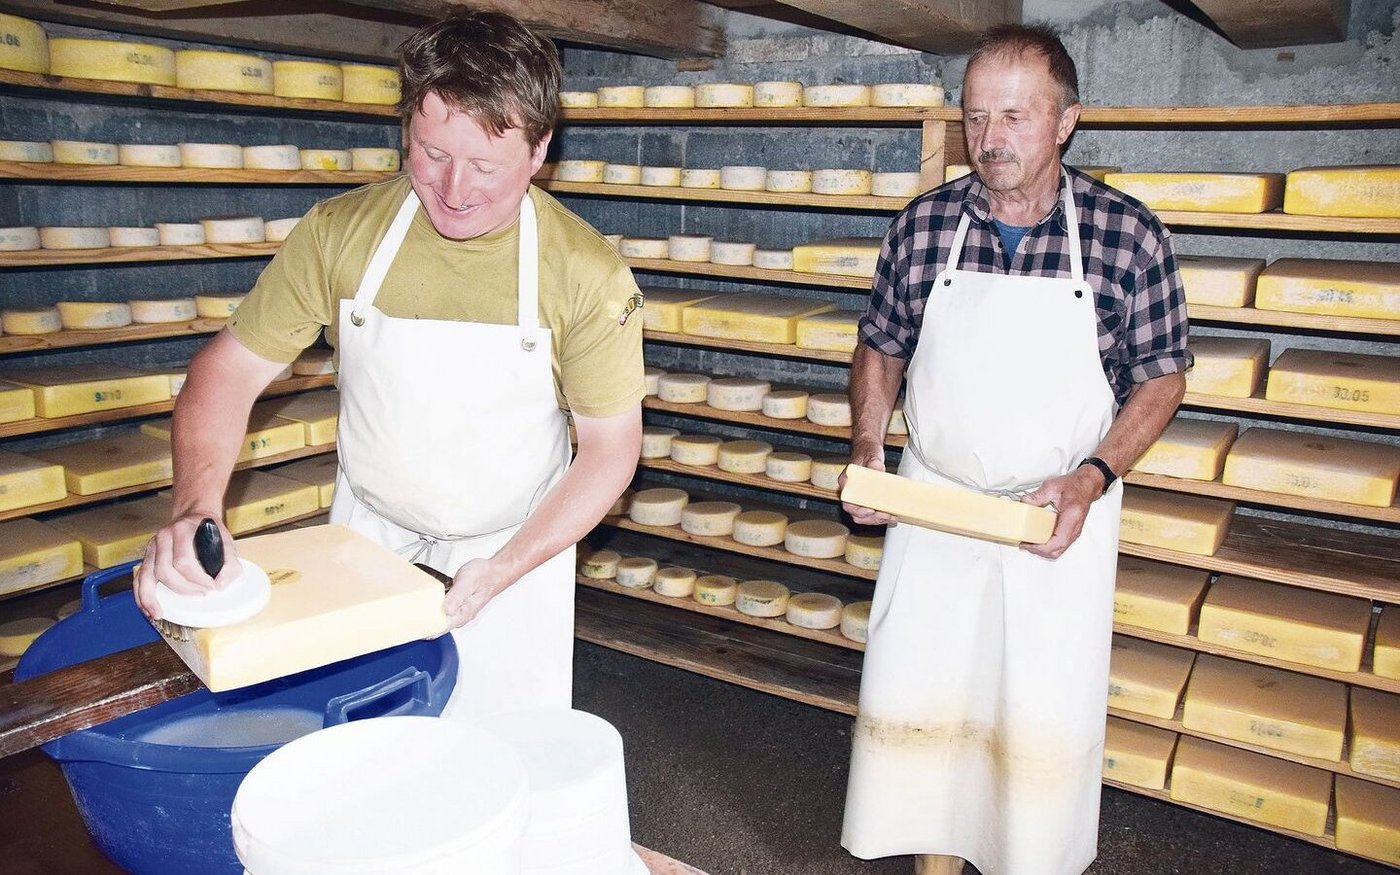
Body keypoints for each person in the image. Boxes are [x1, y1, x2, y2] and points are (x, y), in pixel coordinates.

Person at [134, 9, 644, 719]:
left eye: (487, 166)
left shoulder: (586, 274)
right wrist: (195, 509)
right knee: (358, 760)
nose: (456, 188)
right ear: (406, 128)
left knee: (498, 764)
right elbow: (226, 373)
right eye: (432, 153)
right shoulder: (340, 234)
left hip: (513, 553)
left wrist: (504, 566)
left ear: (539, 151)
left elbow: (610, 452)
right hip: (364, 544)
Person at [840, 24, 1190, 875]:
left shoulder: (1124, 234)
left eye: (1014, 117)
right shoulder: (927, 226)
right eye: (974, 116)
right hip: (938, 504)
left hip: (1053, 517)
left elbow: (1163, 376)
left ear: (1066, 121)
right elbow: (880, 345)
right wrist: (869, 446)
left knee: (1037, 718)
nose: (989, 139)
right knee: (922, 705)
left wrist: (1093, 474)